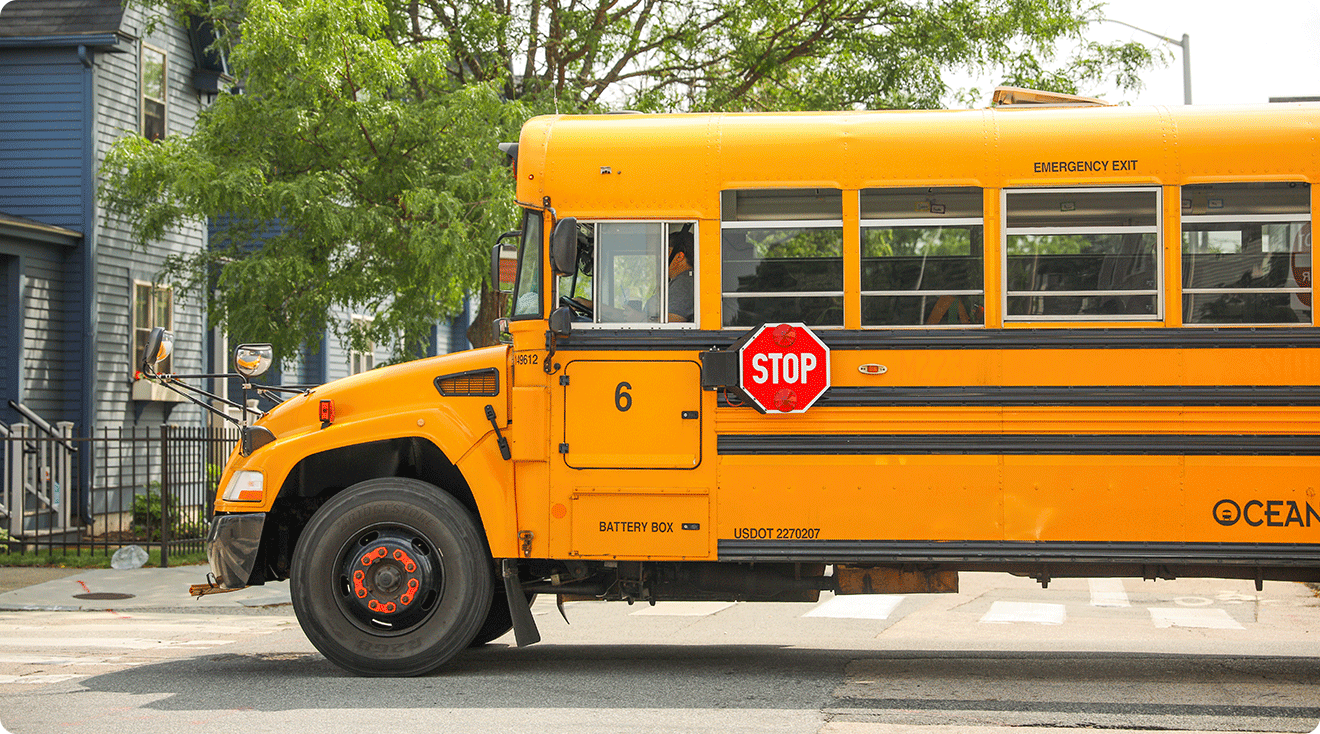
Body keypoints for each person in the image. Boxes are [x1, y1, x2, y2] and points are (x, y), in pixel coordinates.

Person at [665, 229, 695, 322]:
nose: (660, 257)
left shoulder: (683, 282)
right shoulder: (688, 278)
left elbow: (673, 321)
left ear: (679, 257)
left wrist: (643, 319)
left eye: (665, 252)